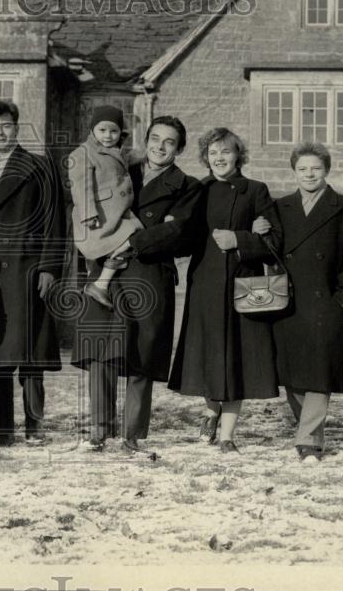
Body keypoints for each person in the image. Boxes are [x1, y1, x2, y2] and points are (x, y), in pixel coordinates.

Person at [72, 116, 203, 453]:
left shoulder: (187, 186)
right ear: (145, 140)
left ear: (180, 148)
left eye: (169, 141)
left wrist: (132, 243)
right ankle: (98, 431)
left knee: (141, 356)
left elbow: (179, 232)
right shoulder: (119, 168)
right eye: (155, 138)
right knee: (101, 351)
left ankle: (132, 435)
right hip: (106, 269)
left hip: (150, 272)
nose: (160, 146)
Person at [167, 127, 281, 454]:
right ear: (205, 158)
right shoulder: (196, 190)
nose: (219, 158)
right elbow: (179, 231)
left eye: (226, 152)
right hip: (204, 284)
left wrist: (242, 239)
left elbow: (276, 242)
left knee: (238, 359)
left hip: (243, 286)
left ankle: (228, 435)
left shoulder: (256, 191)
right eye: (213, 153)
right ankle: (211, 409)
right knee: (208, 355)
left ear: (238, 156)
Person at [0, 100, 66, 446]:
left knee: (31, 354)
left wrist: (50, 267)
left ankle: (34, 426)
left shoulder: (39, 166)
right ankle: (1, 430)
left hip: (28, 269)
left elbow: (55, 223)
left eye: (6, 126)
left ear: (16, 129)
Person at [262, 143, 343, 463]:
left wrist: (342, 302)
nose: (309, 174)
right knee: (294, 376)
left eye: (316, 168)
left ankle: (309, 441)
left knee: (319, 374)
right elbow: (267, 251)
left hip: (326, 304)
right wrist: (259, 232)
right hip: (288, 305)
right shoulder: (279, 208)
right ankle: (309, 432)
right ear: (294, 172)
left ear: (327, 170)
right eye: (303, 169)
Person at [67, 105, 143, 310]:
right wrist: (88, 214)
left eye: (114, 131)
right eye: (102, 130)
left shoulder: (117, 151)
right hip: (100, 215)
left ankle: (100, 284)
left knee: (128, 241)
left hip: (115, 213)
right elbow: (81, 185)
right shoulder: (83, 152)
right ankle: (99, 284)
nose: (108, 136)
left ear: (121, 133)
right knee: (133, 235)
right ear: (92, 130)